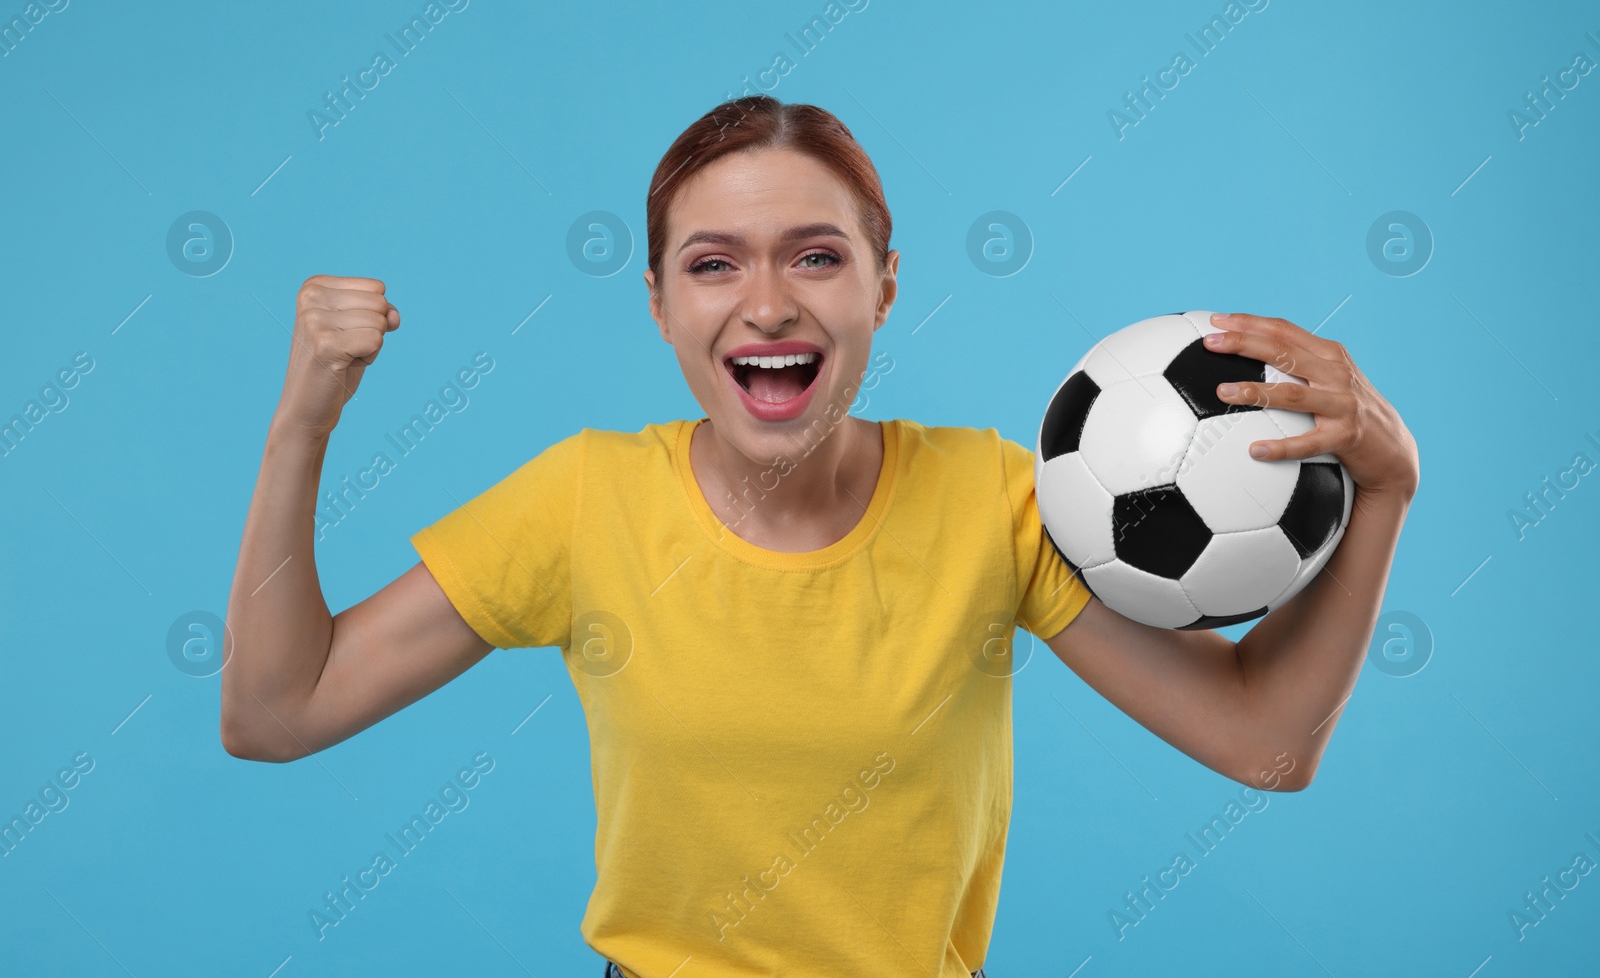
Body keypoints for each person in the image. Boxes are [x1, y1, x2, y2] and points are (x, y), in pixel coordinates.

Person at [220, 95, 1420, 977]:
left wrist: (1387, 490)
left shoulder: (994, 502)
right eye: (711, 264)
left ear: (883, 287)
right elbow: (279, 711)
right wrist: (302, 423)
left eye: (816, 256)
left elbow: (1264, 741)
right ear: (658, 304)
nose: (769, 303)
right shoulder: (584, 500)